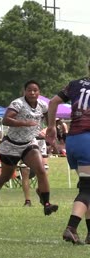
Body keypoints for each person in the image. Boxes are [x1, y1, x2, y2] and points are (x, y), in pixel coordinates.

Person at [0, 80, 58, 216]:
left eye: (35, 90)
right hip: (11, 145)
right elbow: (6, 120)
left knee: (41, 170)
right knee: (6, 177)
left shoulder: (43, 105)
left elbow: (49, 117)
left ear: (39, 92)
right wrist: (24, 123)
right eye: (29, 90)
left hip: (29, 144)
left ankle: (47, 204)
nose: (32, 93)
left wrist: (50, 128)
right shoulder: (18, 103)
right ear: (24, 92)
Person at [46, 60, 90, 245]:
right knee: (88, 188)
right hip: (88, 139)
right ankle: (71, 228)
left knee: (88, 187)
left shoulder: (74, 84)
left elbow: (53, 102)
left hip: (73, 140)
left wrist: (51, 127)